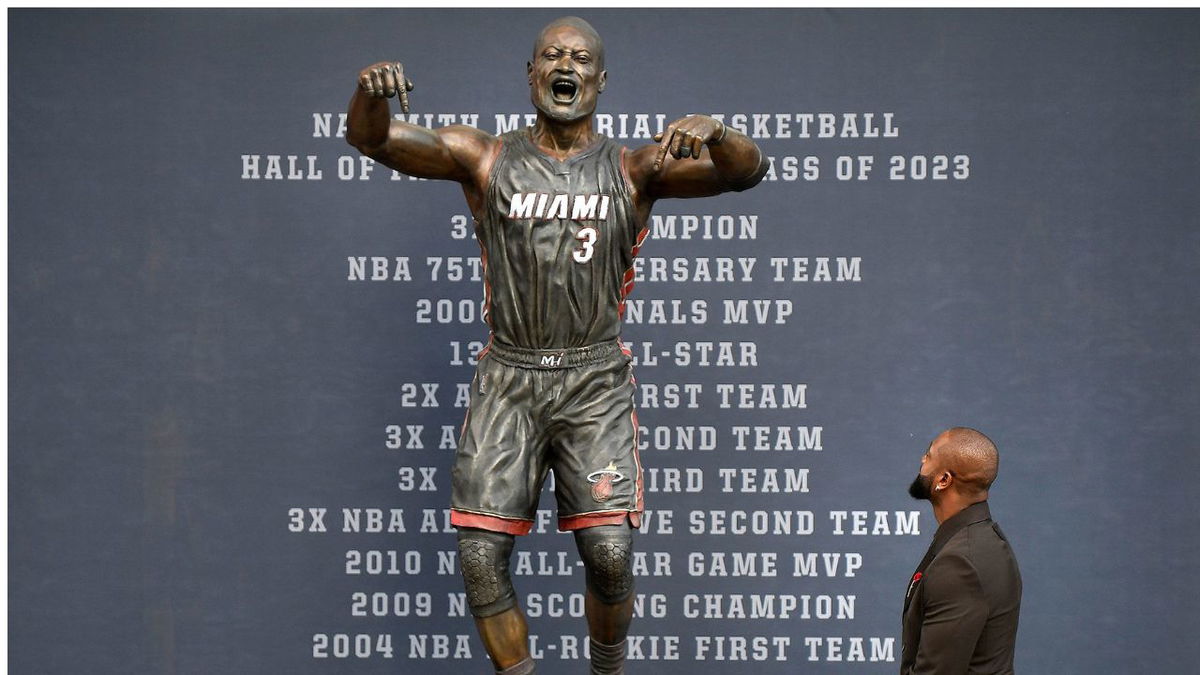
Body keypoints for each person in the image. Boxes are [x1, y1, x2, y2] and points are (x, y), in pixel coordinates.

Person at [346, 16, 767, 675]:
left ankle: (606, 667)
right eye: (550, 55)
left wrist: (717, 130)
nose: (563, 65)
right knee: (480, 555)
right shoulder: (484, 155)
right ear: (531, 74)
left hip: (592, 379)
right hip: (509, 377)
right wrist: (369, 93)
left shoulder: (632, 168)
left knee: (609, 552)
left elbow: (745, 173)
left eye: (578, 58)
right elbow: (372, 139)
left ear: (600, 80)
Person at [902, 427, 1022, 674]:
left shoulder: (959, 563)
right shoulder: (987, 539)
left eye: (929, 454)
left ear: (943, 480)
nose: (922, 460)